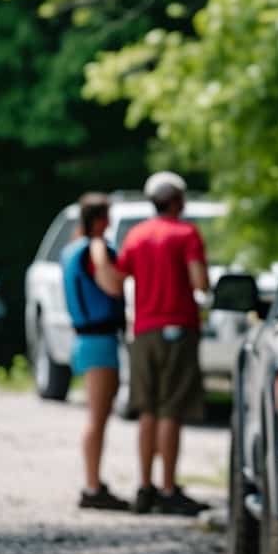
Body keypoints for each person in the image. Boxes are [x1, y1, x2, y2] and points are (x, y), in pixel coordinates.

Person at [93, 171, 210, 516]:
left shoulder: (137, 235)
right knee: (171, 409)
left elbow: (115, 282)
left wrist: (100, 254)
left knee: (147, 409)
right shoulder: (187, 233)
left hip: (143, 332)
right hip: (179, 330)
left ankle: (145, 486)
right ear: (178, 201)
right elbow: (200, 282)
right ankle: (169, 488)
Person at [60, 192, 129, 511]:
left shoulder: (71, 250)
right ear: (101, 220)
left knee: (97, 415)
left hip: (85, 339)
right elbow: (111, 286)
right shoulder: (95, 249)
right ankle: (92, 485)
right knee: (98, 417)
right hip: (99, 341)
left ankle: (94, 482)